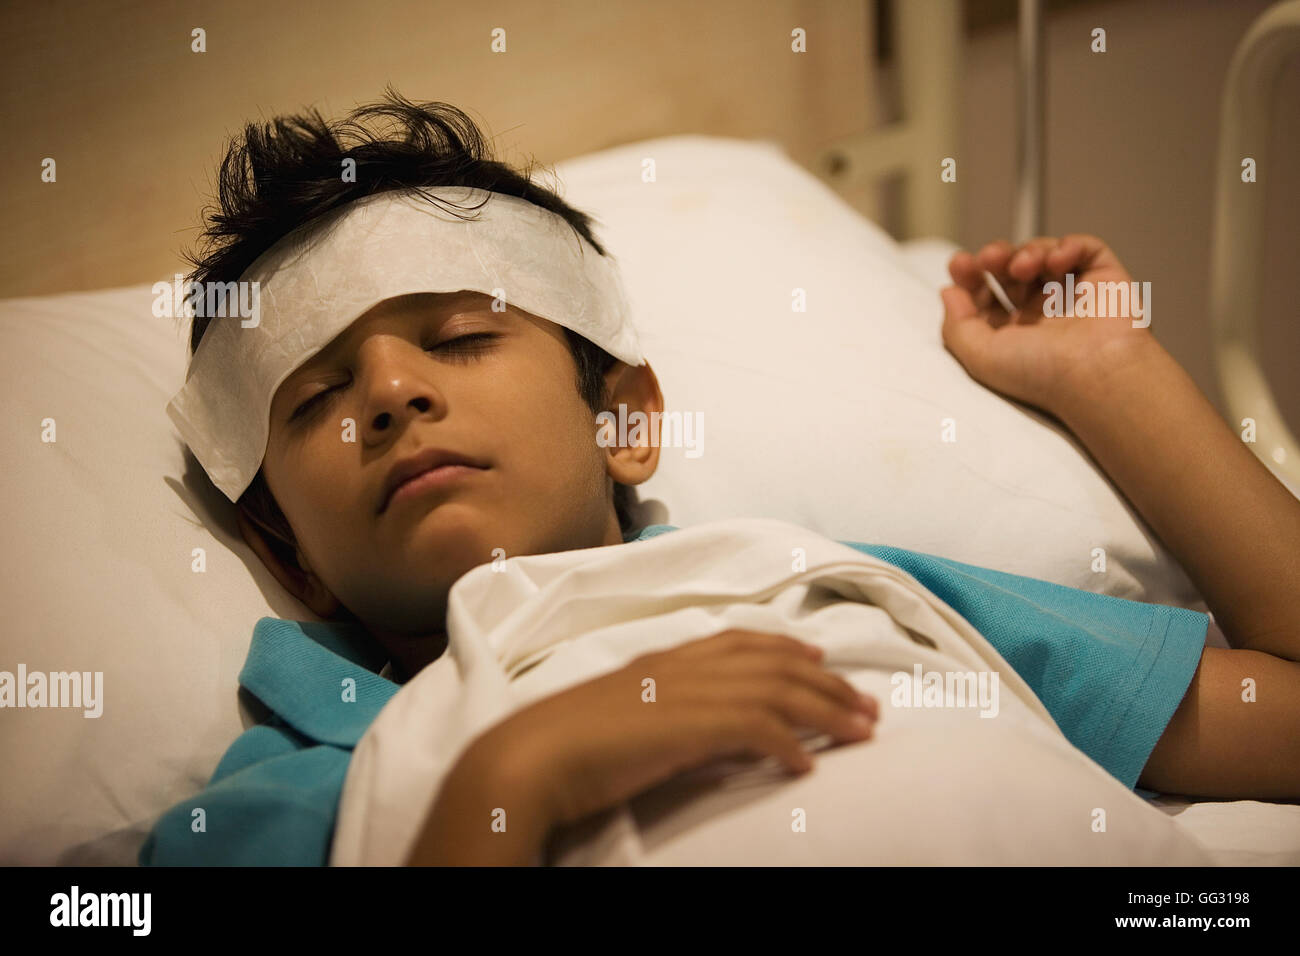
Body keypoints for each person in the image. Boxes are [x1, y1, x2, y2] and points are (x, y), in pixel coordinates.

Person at [139, 89, 1300, 866]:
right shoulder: (304, 770)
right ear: (290, 553)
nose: (390, 391)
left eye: (456, 337)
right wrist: (512, 778)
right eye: (319, 396)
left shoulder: (829, 586)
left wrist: (1112, 376)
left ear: (625, 422)